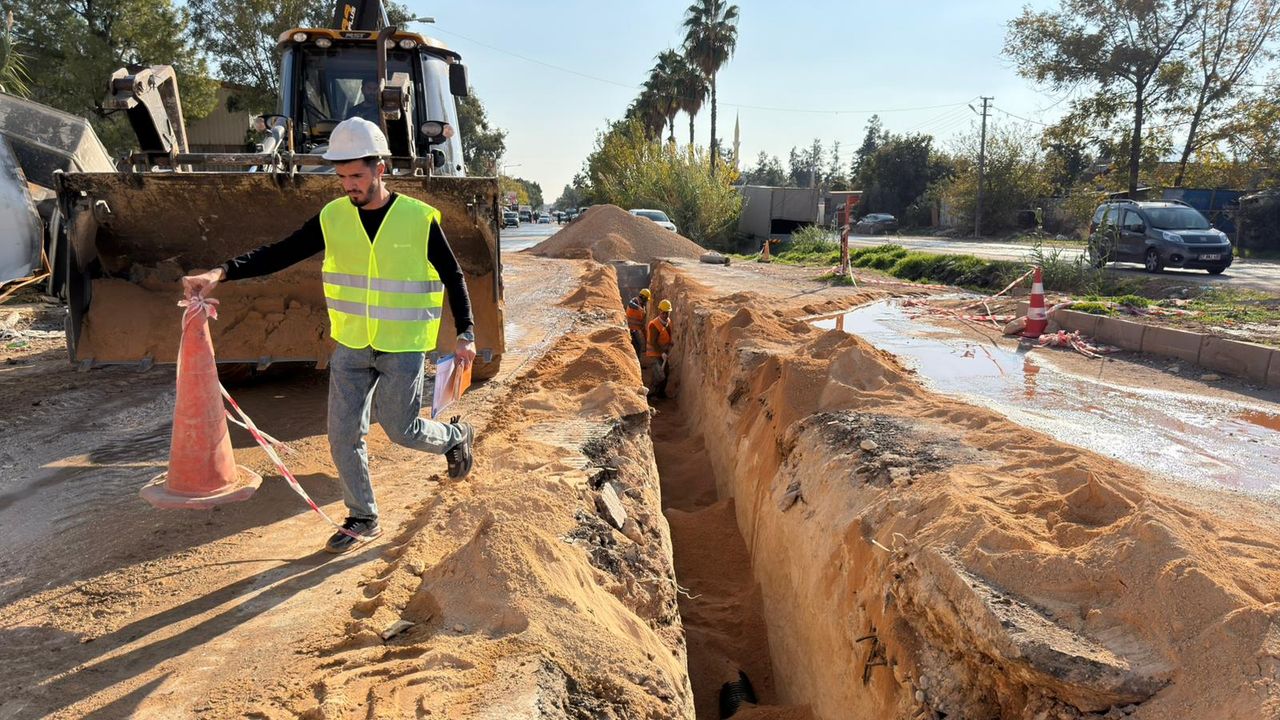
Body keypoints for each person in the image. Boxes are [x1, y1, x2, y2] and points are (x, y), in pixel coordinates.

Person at [181, 117, 476, 554]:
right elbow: (281, 252)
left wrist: (466, 332)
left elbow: (453, 275)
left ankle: (455, 437)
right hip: (352, 344)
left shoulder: (418, 218)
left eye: (357, 175)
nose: (349, 185)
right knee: (342, 436)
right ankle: (363, 516)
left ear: (380, 169)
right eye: (342, 177)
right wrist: (220, 273)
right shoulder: (333, 217)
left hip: (403, 345)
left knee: (401, 430)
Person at [644, 299, 674, 397]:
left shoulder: (668, 322)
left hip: (662, 353)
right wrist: (662, 353)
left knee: (666, 372)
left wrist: (670, 343)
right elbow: (653, 342)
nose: (665, 315)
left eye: (667, 313)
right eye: (663, 313)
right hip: (654, 353)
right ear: (659, 311)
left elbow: (667, 335)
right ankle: (652, 395)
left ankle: (661, 394)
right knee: (659, 375)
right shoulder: (654, 325)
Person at [625, 288, 651, 356]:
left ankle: (637, 359)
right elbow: (630, 304)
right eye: (646, 299)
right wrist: (638, 307)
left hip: (636, 329)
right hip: (629, 328)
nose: (646, 301)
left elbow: (641, 322)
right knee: (637, 345)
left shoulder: (643, 306)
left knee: (638, 346)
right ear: (644, 298)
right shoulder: (635, 301)